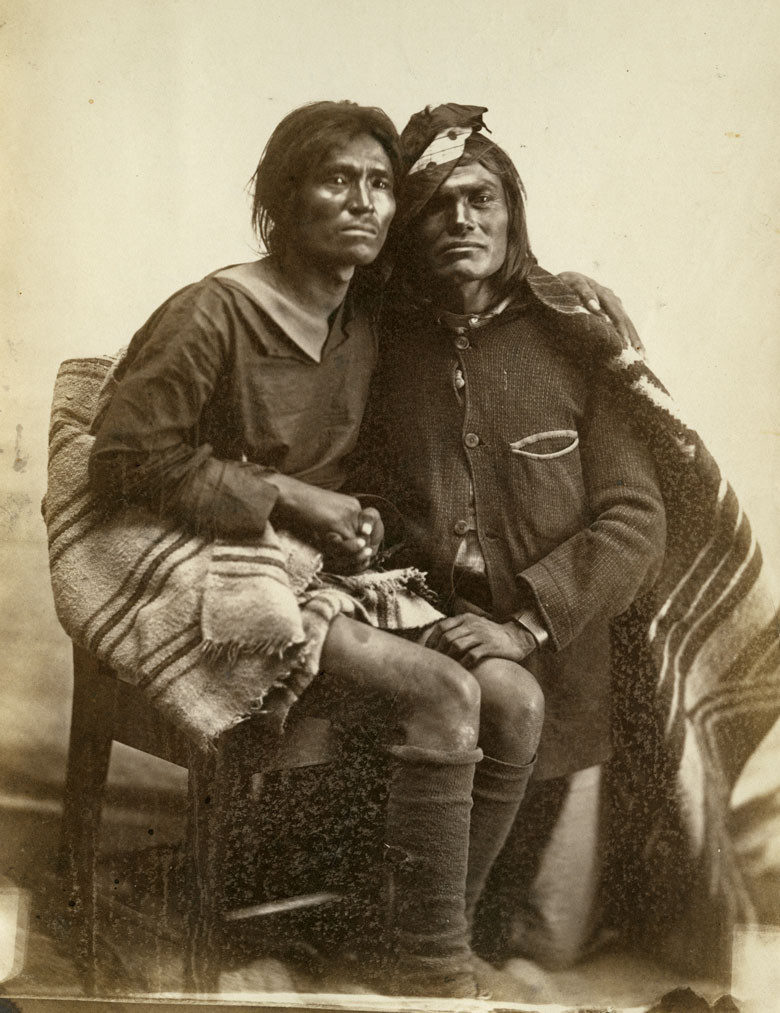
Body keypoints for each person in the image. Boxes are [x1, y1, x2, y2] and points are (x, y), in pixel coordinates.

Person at [87, 100, 641, 997]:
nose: (364, 202)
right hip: (222, 573)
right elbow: (121, 462)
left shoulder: (363, 316)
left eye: (381, 184)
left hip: (325, 575)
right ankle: (435, 972)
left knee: (514, 696)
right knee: (448, 691)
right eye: (337, 180)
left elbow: (477, 288)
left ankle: (418, 939)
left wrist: (566, 290)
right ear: (283, 197)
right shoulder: (215, 310)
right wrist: (290, 498)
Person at [355, 103, 668, 973]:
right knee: (420, 915)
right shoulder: (380, 341)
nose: (461, 219)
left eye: (481, 198)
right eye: (437, 204)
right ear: (408, 229)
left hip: (560, 677)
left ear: (511, 214)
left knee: (541, 941)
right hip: (433, 646)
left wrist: (525, 625)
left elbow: (637, 519)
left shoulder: (577, 338)